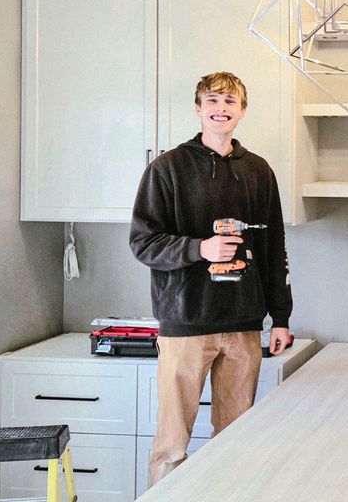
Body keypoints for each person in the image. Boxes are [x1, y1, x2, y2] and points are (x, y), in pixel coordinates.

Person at [130, 71, 292, 485]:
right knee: (171, 444)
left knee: (237, 440)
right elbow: (143, 243)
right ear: (199, 108)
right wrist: (198, 249)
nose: (221, 109)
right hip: (185, 324)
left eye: (230, 102)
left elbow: (275, 250)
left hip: (243, 326)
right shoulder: (167, 168)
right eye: (213, 101)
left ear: (242, 111)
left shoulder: (259, 171)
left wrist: (282, 317)